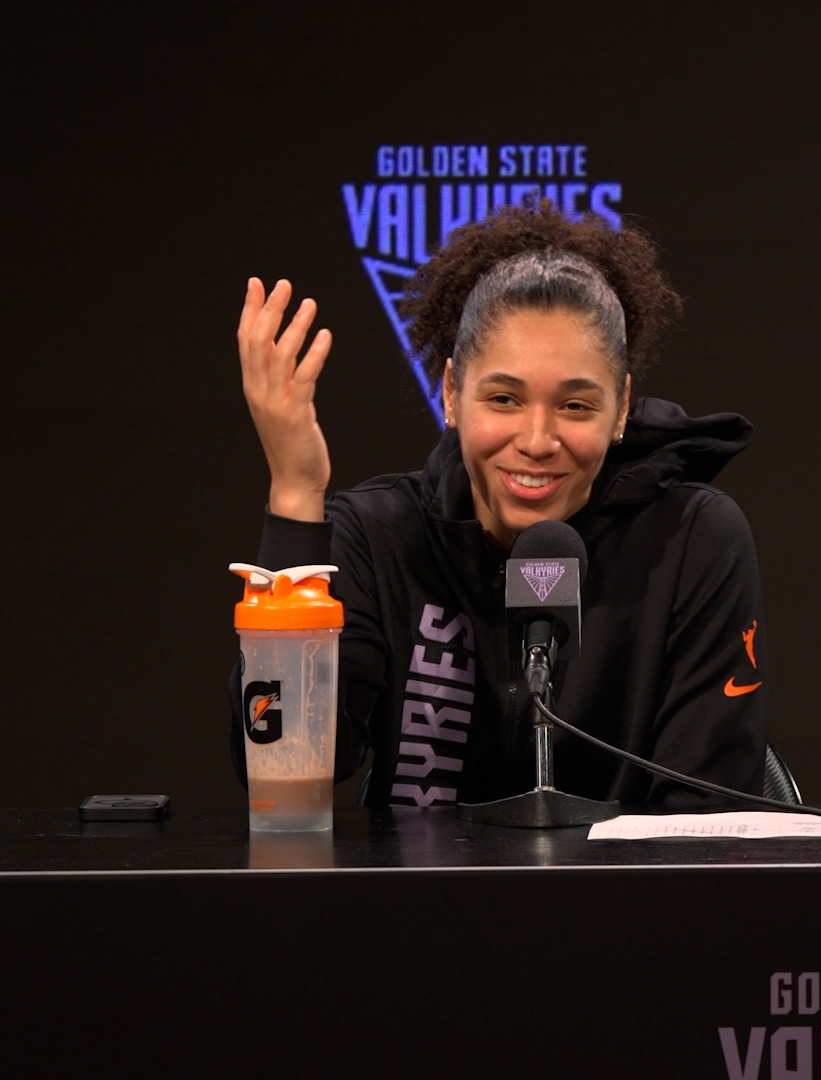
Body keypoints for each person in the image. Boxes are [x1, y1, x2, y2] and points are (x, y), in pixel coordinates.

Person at [232, 204, 769, 809]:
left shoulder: (692, 539)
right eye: (505, 398)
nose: (537, 441)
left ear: (620, 409)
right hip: (420, 903)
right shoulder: (376, 537)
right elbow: (280, 765)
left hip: (625, 901)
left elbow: (708, 824)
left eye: (575, 406)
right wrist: (298, 494)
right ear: (453, 393)